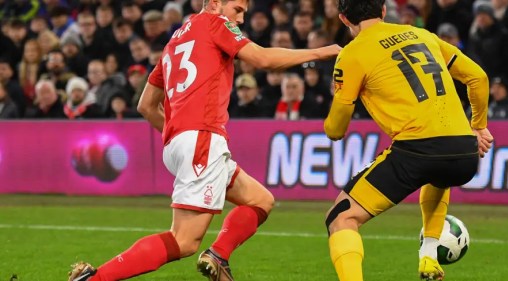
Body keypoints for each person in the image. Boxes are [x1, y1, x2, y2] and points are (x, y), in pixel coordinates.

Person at [67, 0, 340, 280]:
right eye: (238, 10)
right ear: (214, 4)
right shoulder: (215, 23)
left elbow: (146, 106)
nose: (242, 20)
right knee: (183, 241)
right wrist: (322, 53)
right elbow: (263, 60)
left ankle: (218, 255)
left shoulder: (174, 41)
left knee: (260, 200)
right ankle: (95, 279)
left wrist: (181, 134)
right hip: (202, 139)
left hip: (182, 142)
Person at [322, 1, 493, 281]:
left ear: (342, 18)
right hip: (464, 152)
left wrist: (338, 100)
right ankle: (428, 258)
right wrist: (480, 126)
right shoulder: (421, 35)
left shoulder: (353, 54)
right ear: (384, 10)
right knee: (438, 175)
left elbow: (336, 130)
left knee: (341, 218)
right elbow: (478, 77)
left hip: (418, 149)